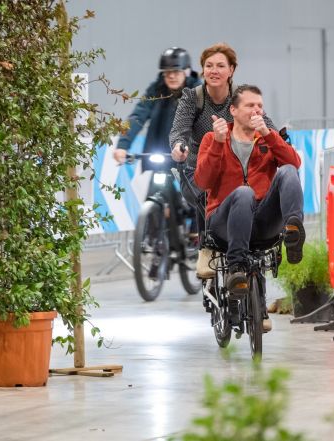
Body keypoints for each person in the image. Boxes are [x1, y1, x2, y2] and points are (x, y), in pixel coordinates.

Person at [195, 84, 305, 317]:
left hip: (262, 221)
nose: (257, 110)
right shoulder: (212, 138)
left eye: (260, 106)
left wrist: (268, 134)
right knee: (244, 193)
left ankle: (294, 231)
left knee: (287, 171)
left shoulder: (267, 138)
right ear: (233, 110)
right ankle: (236, 268)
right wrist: (217, 142)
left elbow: (294, 163)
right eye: (250, 105)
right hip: (224, 221)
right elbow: (203, 181)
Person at [170, 43, 276, 279]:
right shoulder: (192, 98)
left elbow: (267, 124)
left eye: (220, 66)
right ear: (202, 70)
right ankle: (206, 248)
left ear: (231, 71)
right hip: (202, 166)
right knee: (204, 188)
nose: (214, 70)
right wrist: (178, 147)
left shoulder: (241, 98)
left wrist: (276, 138)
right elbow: (179, 130)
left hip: (238, 167)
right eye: (209, 66)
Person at [113, 47, 200, 171]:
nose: (171, 76)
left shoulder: (198, 92)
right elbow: (137, 116)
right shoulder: (156, 90)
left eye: (176, 71)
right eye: (167, 72)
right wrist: (122, 145)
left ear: (186, 72)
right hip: (160, 160)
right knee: (155, 189)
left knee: (192, 189)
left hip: (189, 160)